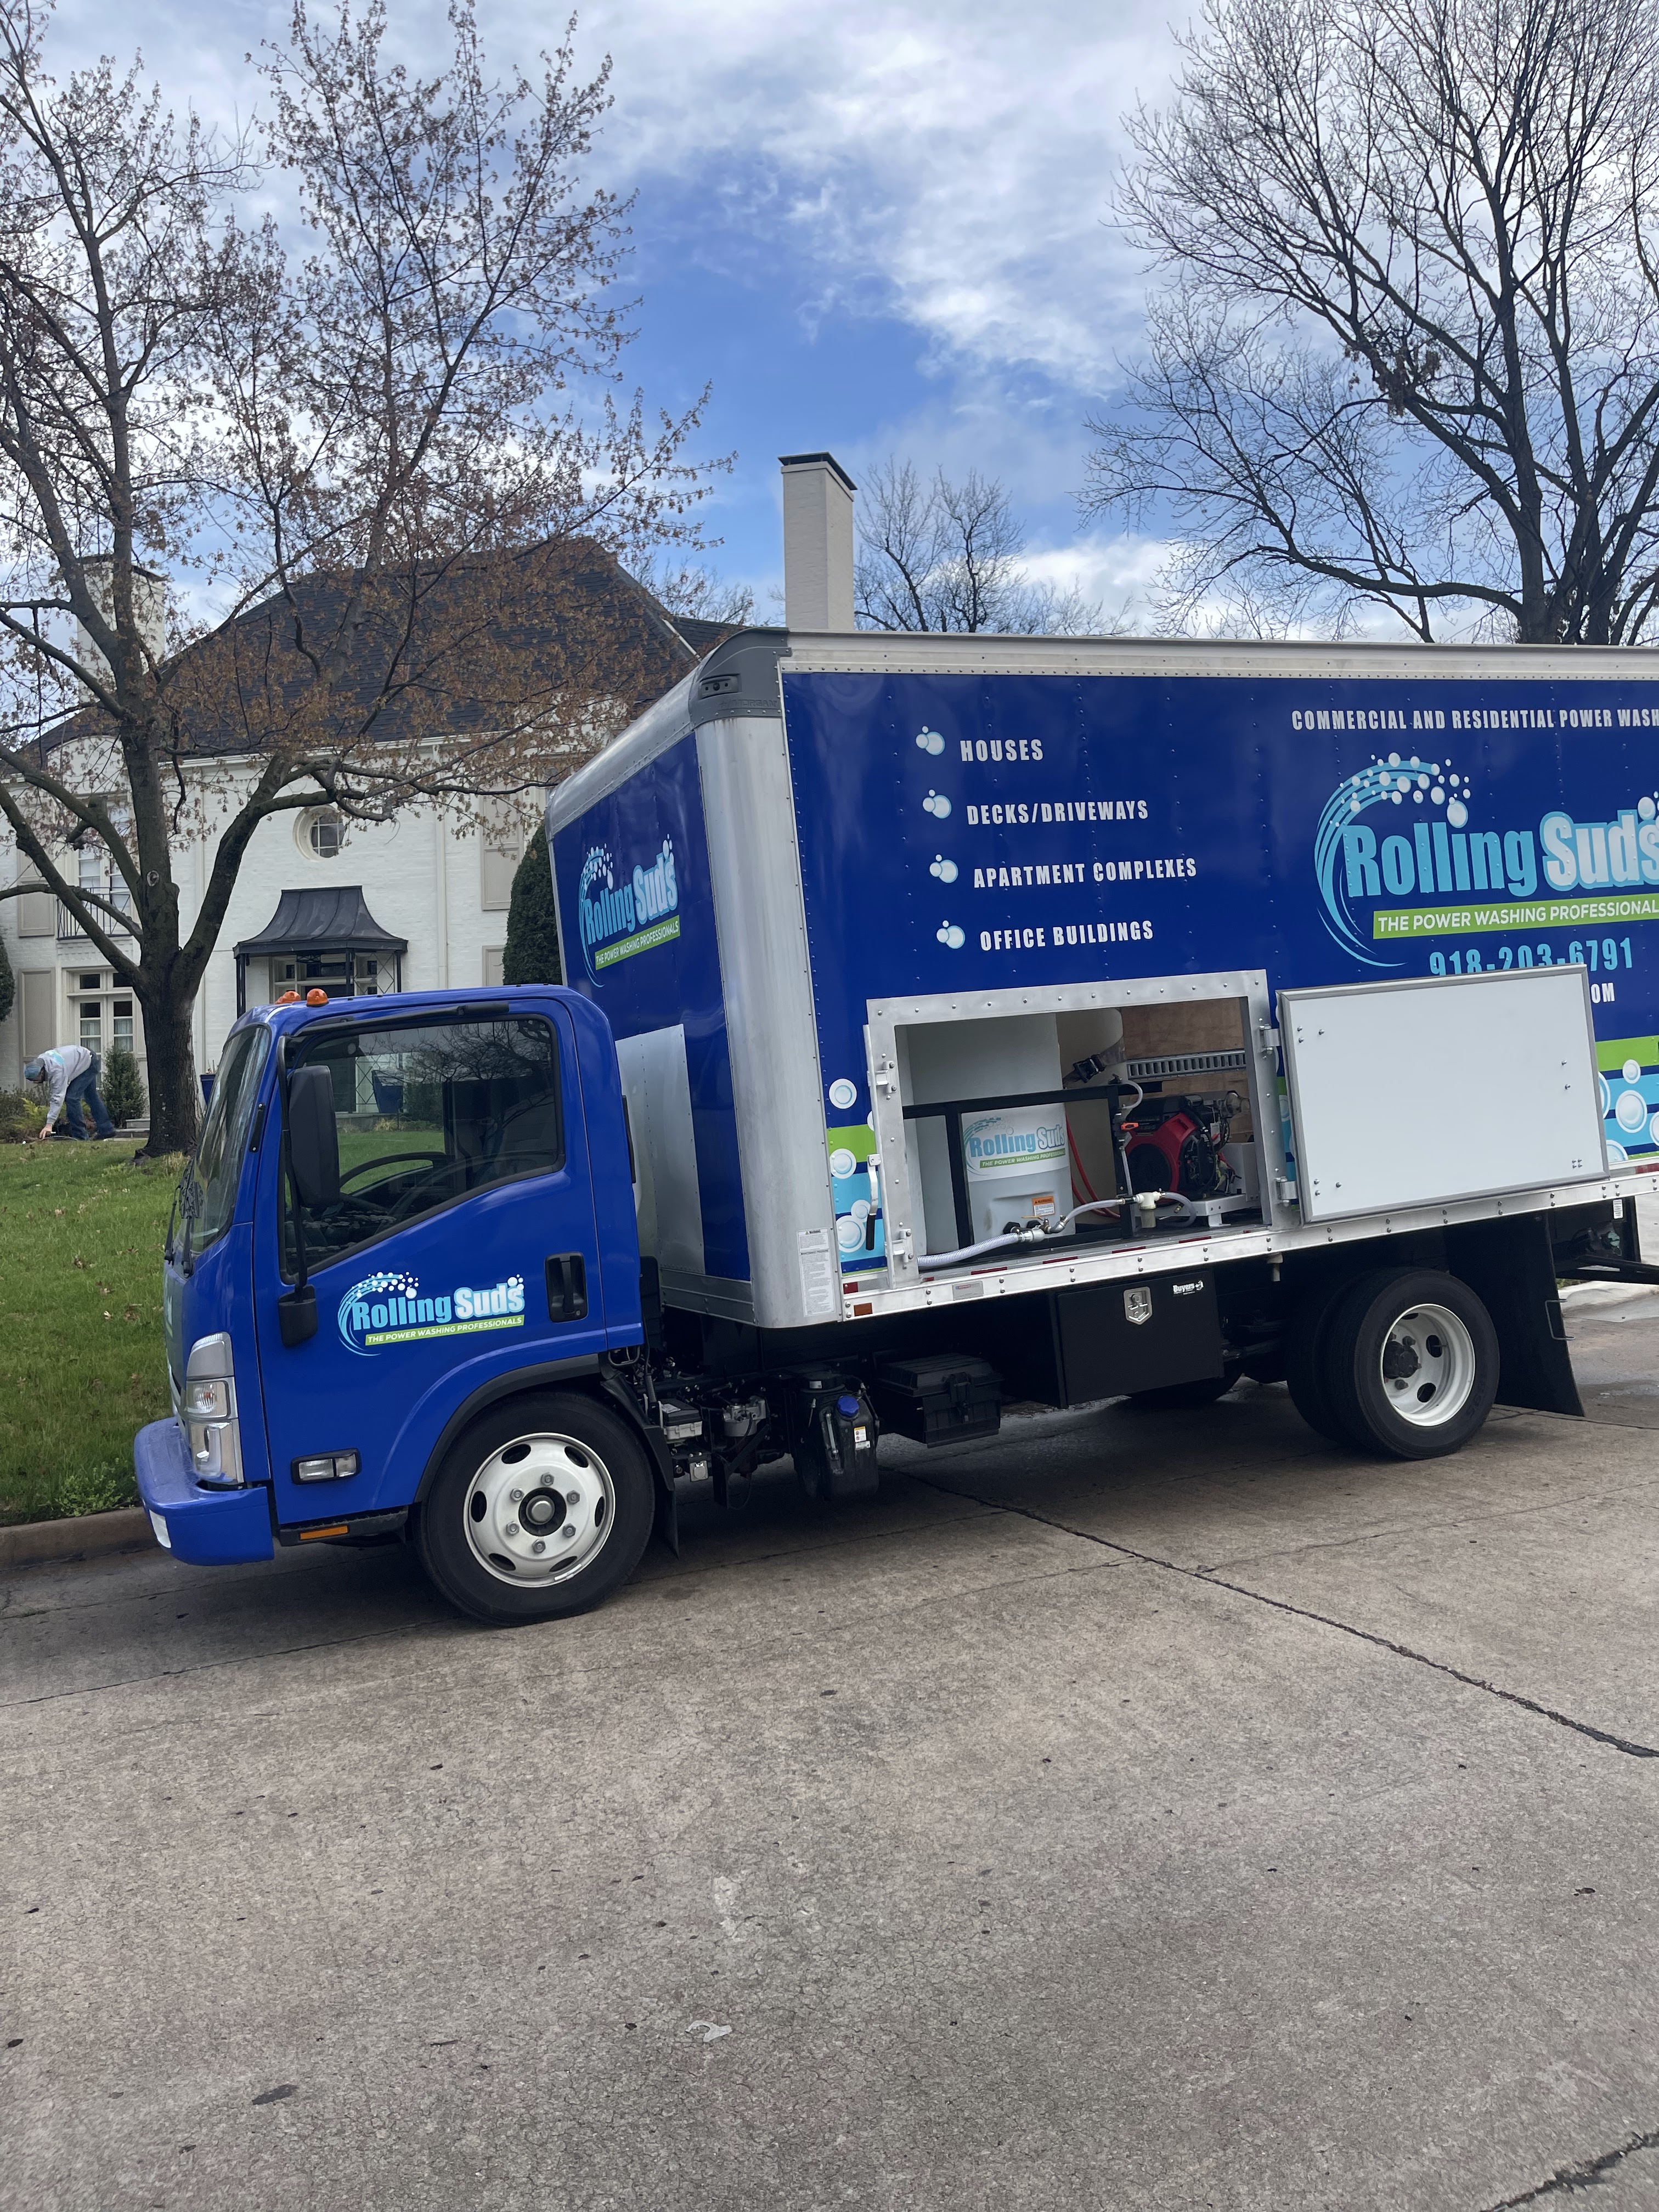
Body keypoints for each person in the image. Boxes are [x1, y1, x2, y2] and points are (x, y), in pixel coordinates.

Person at [22, 1043, 117, 1141]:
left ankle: (80, 1136)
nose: (36, 1082)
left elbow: (57, 1098)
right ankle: (107, 1130)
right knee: (91, 1097)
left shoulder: (57, 1071)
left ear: (42, 1072)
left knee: (72, 1098)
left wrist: (49, 1124)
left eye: (36, 1079)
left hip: (88, 1063)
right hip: (85, 1057)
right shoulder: (42, 1060)